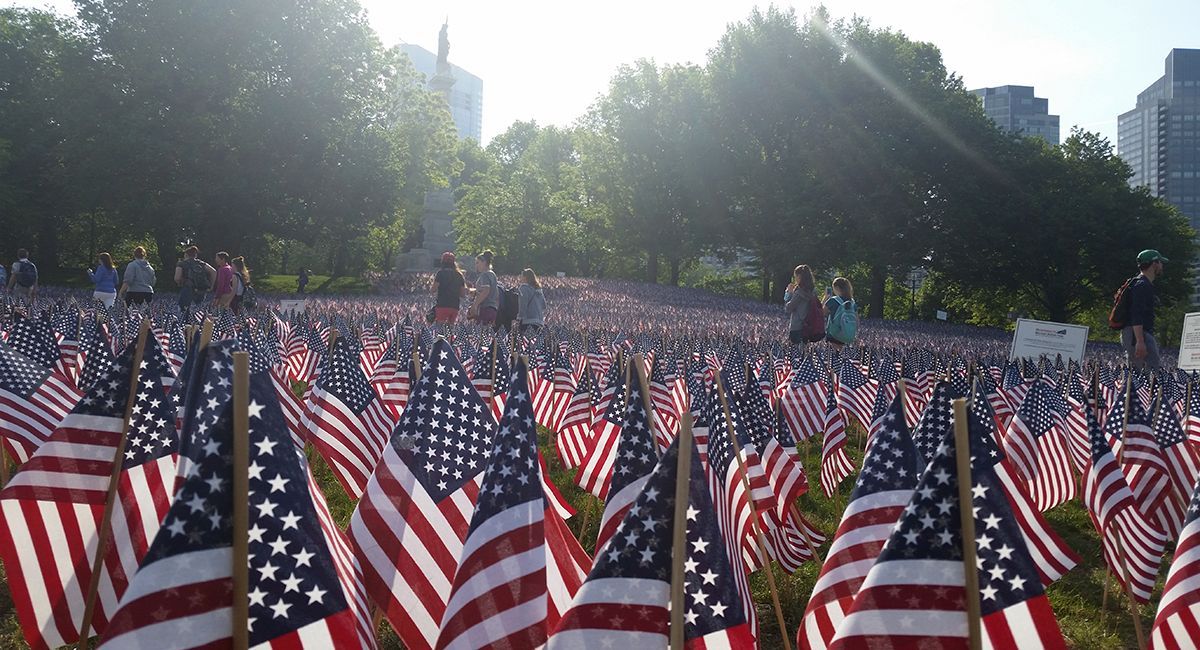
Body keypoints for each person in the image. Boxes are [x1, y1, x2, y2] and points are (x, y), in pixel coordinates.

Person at [1122, 249, 1167, 370]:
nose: (1162, 266)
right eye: (1160, 263)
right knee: (1149, 372)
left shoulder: (1139, 283)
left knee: (1138, 374)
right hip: (1138, 334)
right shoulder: (1142, 285)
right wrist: (1140, 341)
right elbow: (1136, 314)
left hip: (1136, 333)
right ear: (1154, 264)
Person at [784, 264, 817, 345]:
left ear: (799, 276)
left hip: (797, 326)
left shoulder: (799, 293)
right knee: (804, 351)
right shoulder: (813, 291)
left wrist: (788, 293)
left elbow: (788, 308)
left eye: (796, 276)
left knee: (795, 352)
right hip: (809, 326)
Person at [431, 252, 467, 323]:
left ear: (443, 262)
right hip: (454, 306)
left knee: (441, 330)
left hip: (442, 305)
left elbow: (433, 290)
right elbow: (463, 294)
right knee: (450, 330)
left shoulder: (440, 273)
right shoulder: (459, 275)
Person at [823, 276, 857, 348]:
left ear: (837, 288)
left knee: (832, 356)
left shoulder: (833, 300)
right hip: (847, 335)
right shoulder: (852, 303)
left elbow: (822, 313)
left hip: (834, 334)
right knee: (842, 356)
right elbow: (857, 320)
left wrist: (825, 298)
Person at [469, 250, 500, 327]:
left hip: (484, 308)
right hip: (493, 309)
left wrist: (475, 305)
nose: (476, 266)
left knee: (480, 334)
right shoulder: (492, 275)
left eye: (477, 263)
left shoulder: (485, 275)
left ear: (484, 262)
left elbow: (486, 290)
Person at [516, 268, 546, 334]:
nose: (520, 278)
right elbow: (544, 305)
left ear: (525, 277)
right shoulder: (538, 289)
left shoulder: (523, 288)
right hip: (539, 321)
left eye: (521, 276)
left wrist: (519, 318)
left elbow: (523, 305)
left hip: (528, 321)